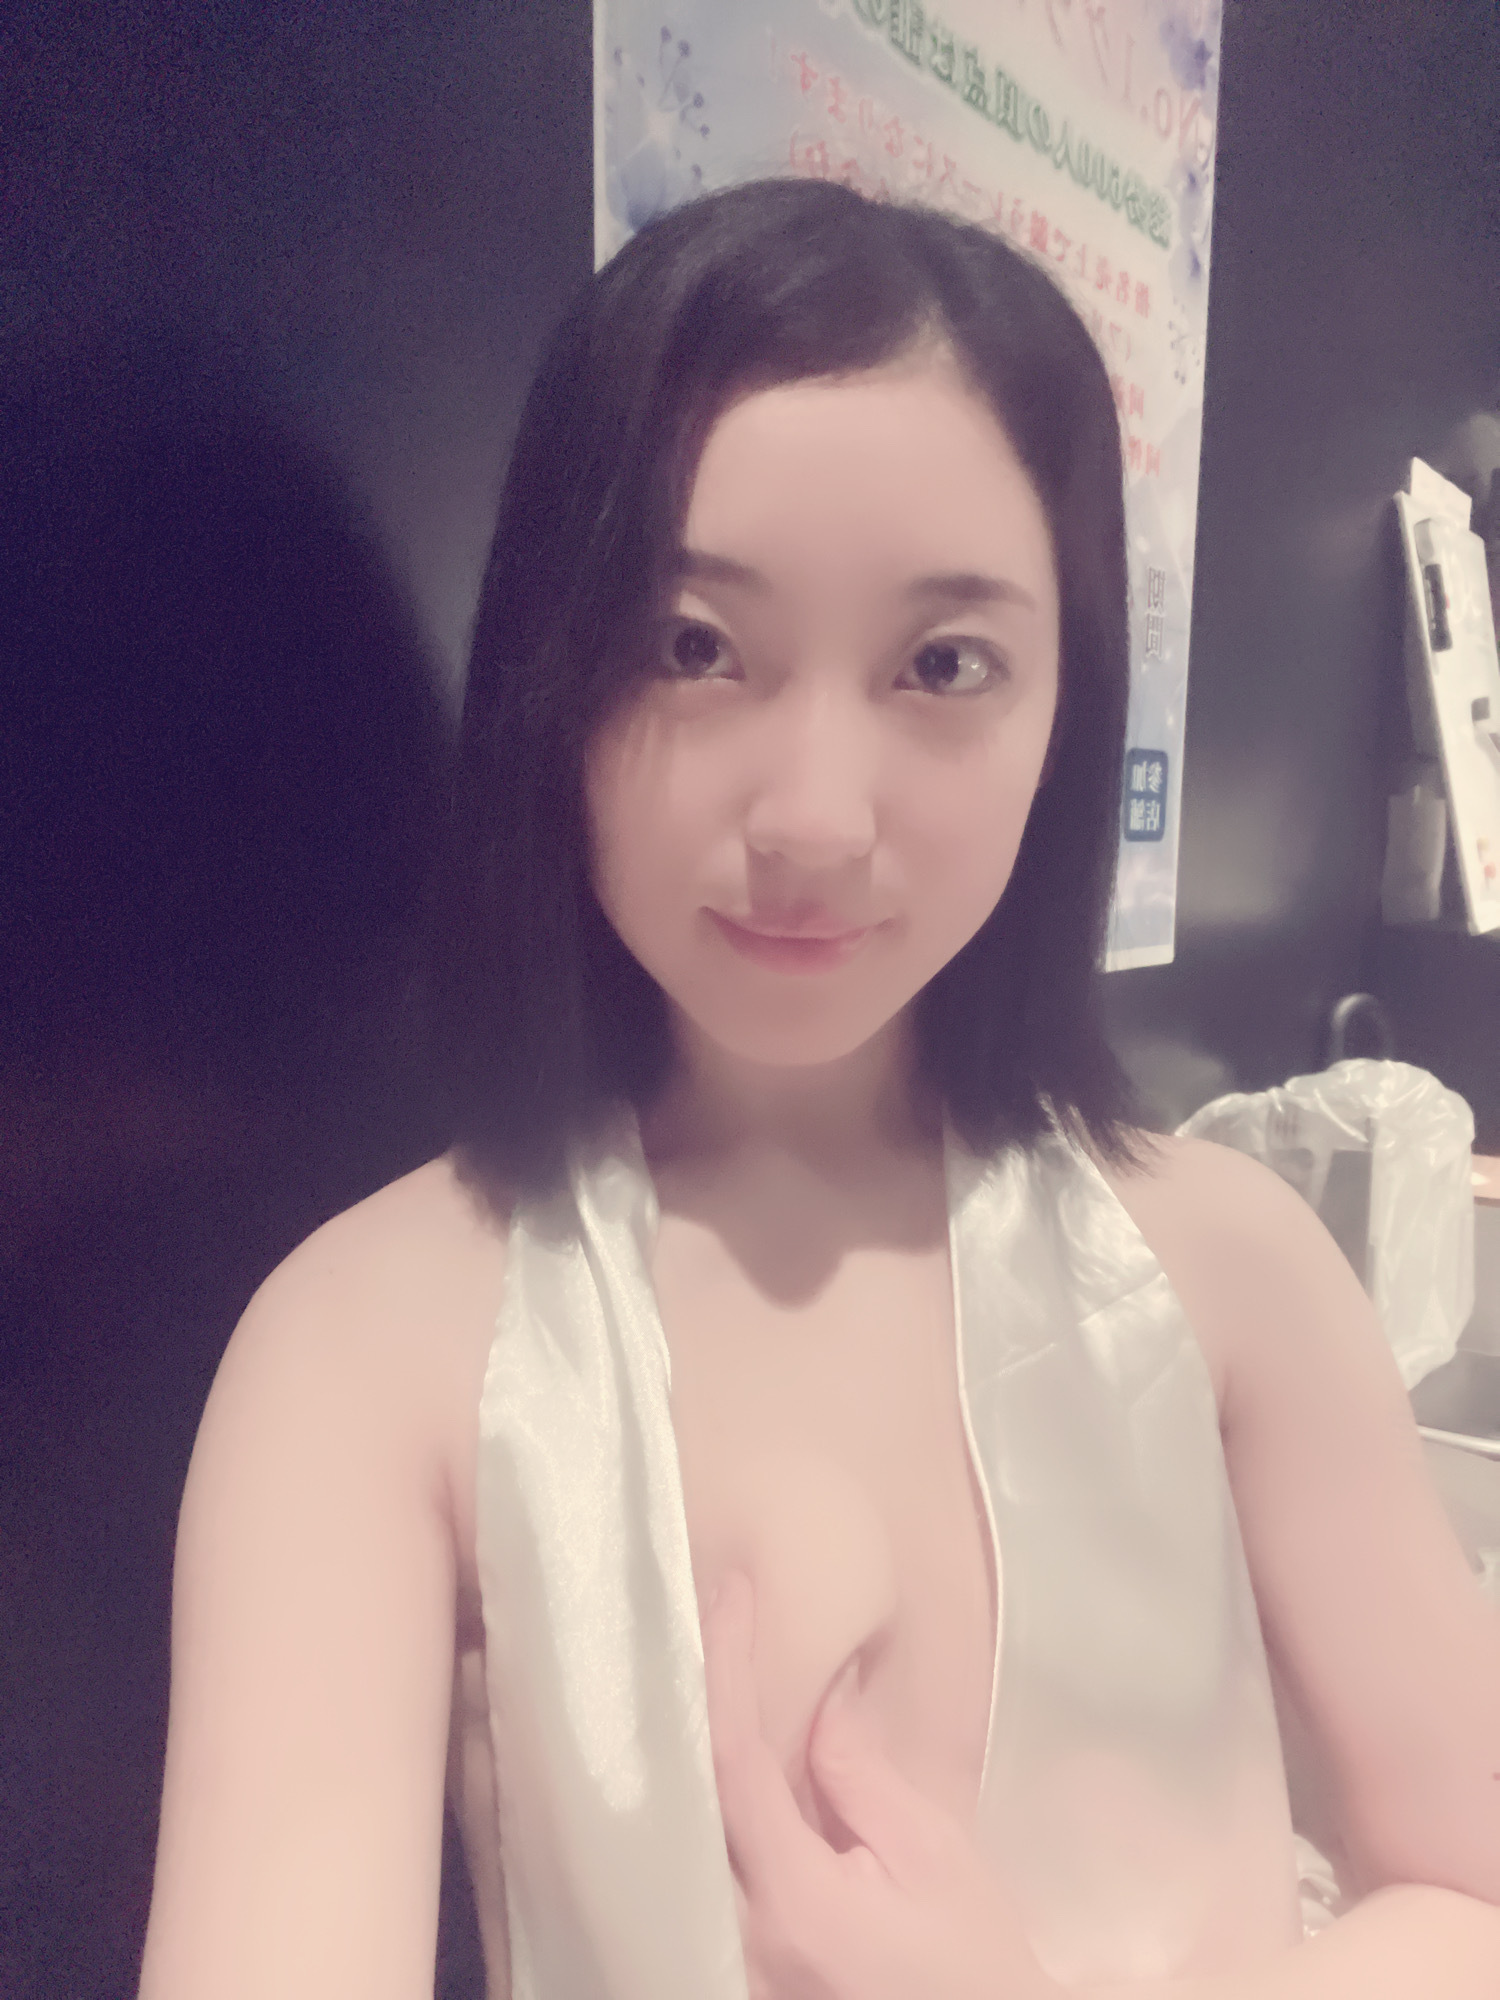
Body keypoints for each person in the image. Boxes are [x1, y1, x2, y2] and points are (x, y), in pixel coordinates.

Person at [139, 179, 1500, 2000]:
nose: (814, 818)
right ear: (551, 672)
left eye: (945, 665)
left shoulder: (1233, 1275)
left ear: (1066, 705)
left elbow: (1475, 1892)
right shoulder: (370, 1350)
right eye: (695, 645)